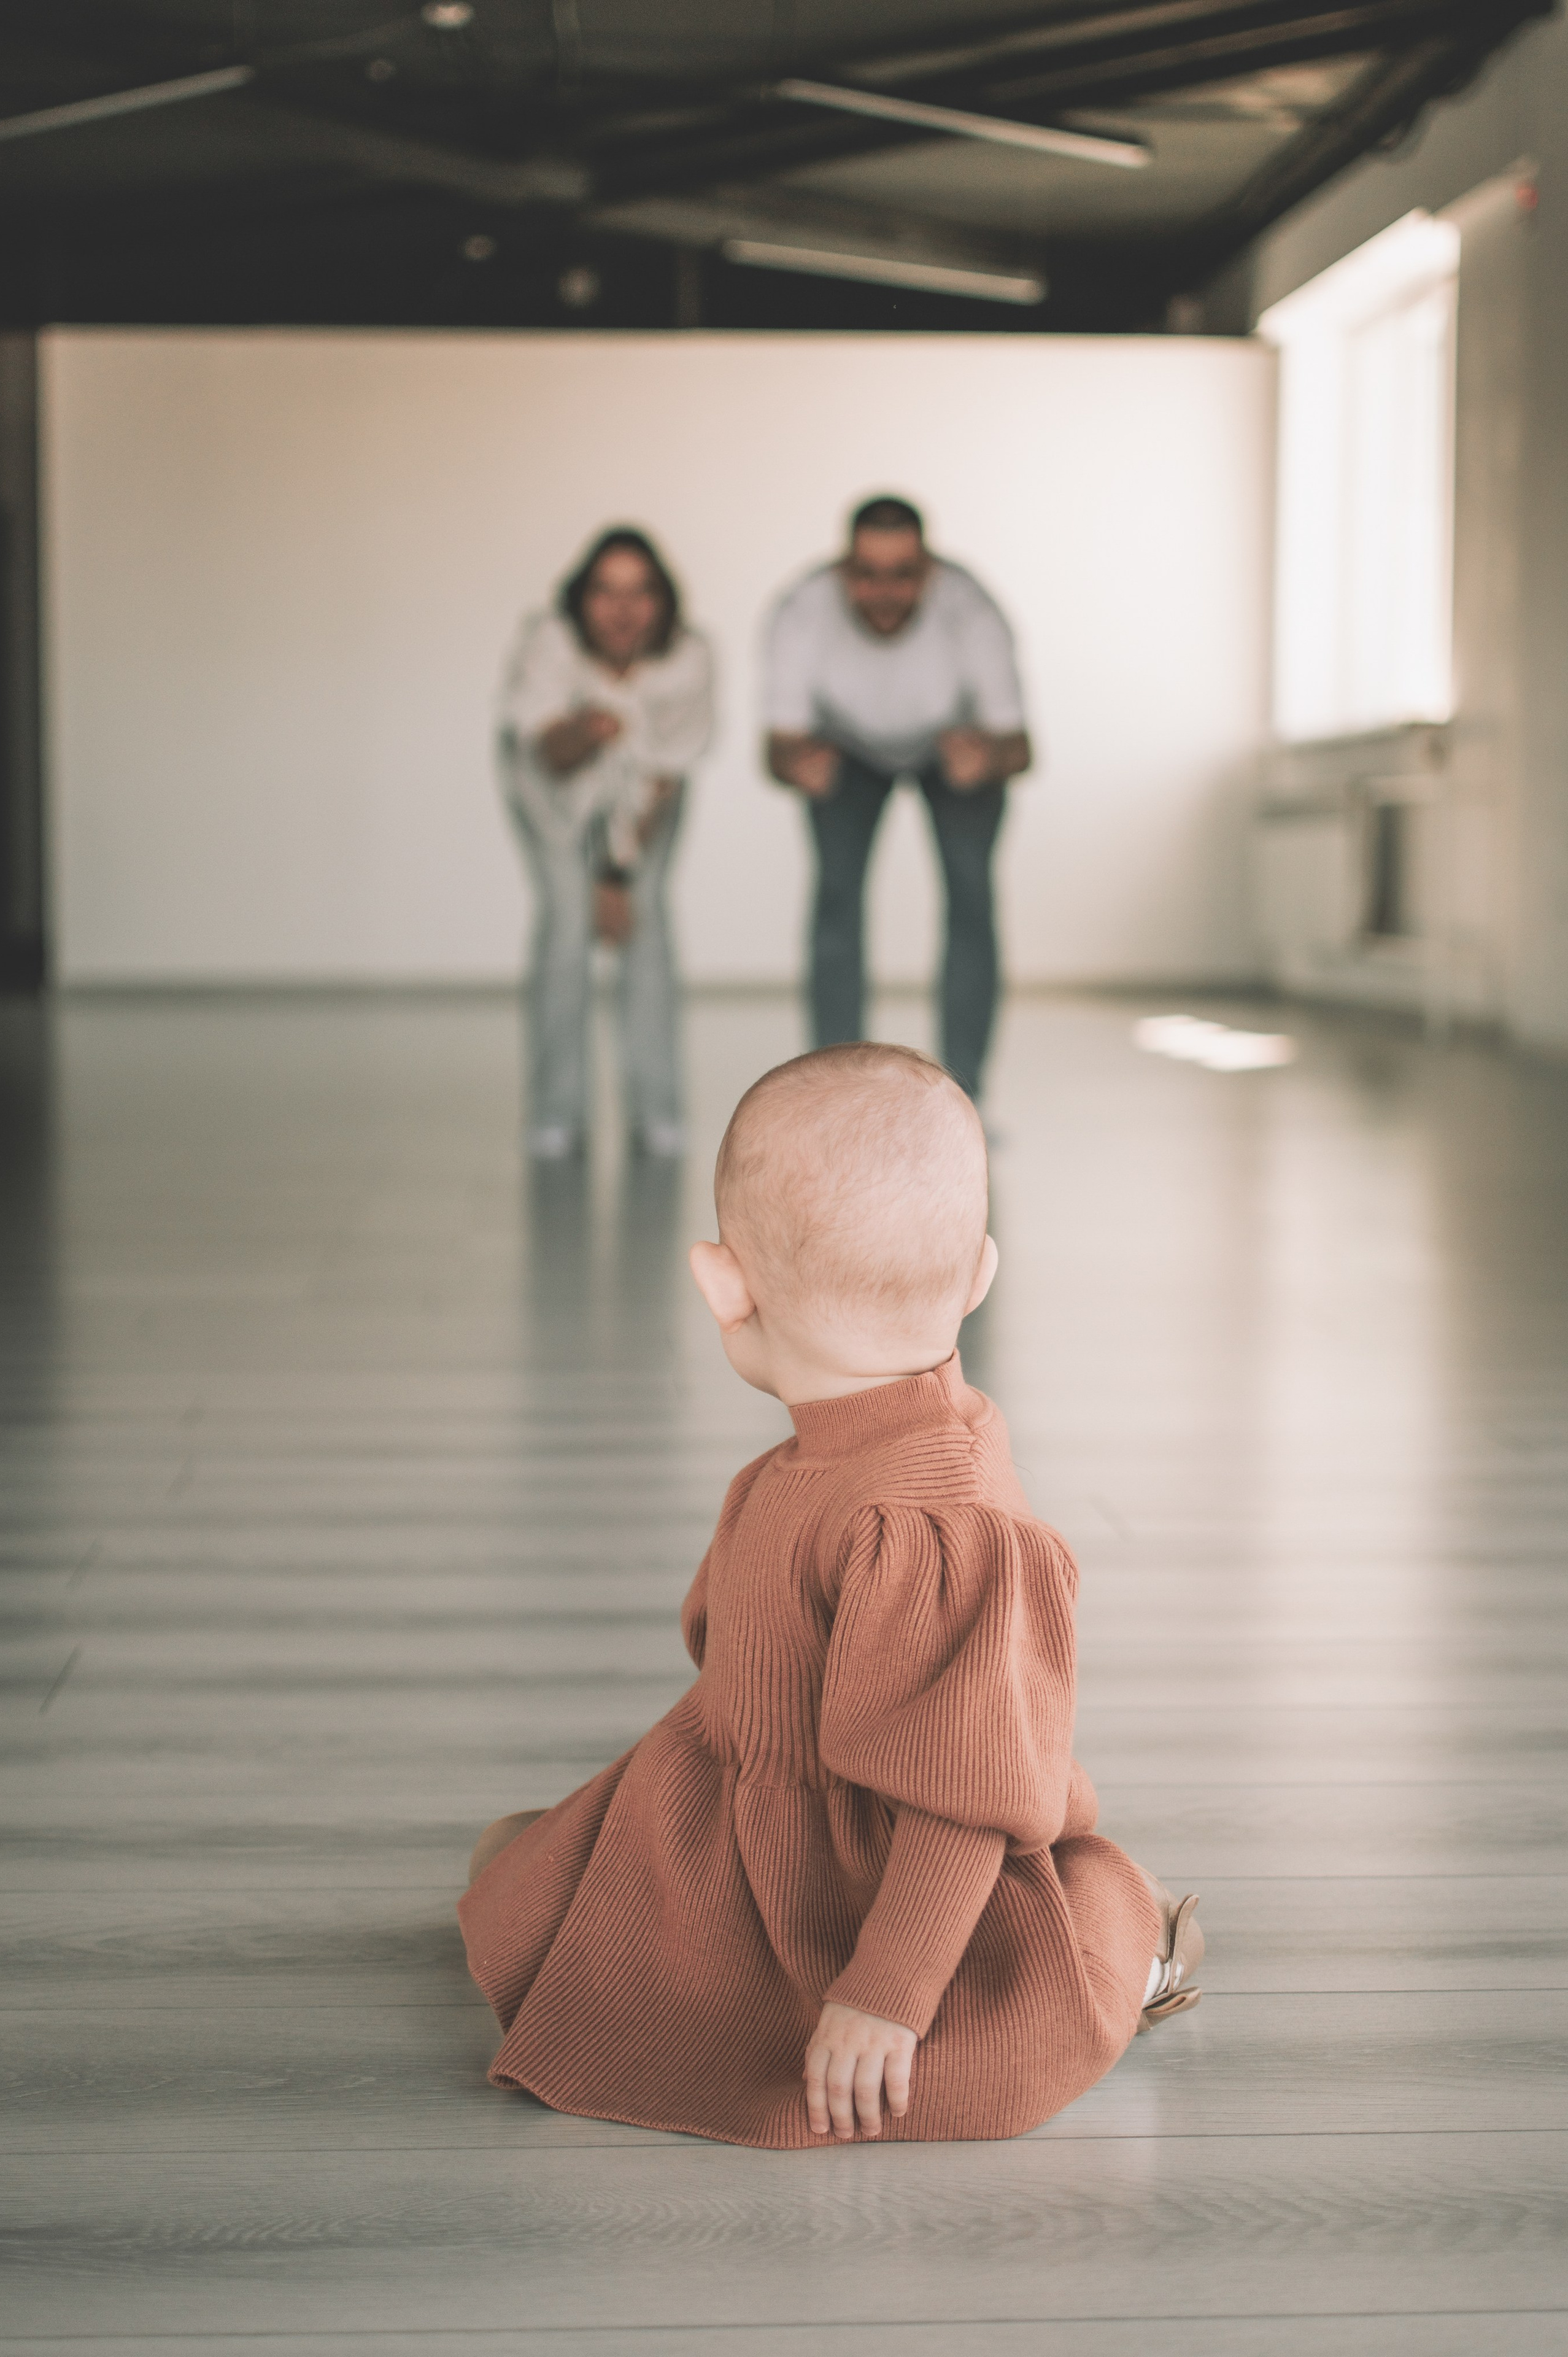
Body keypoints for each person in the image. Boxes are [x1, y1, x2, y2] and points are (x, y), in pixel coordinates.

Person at [459, 1043, 1202, 2148]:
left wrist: (886, 1995)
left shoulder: (944, 1530)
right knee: (514, 1877)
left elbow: (958, 1801)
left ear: (722, 1282)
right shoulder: (809, 1469)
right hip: (749, 1808)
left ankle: (1124, 1953)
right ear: (982, 1272)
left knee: (1037, 1983)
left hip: (895, 1883)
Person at [763, 496, 1033, 1104]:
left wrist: (988, 758)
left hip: (954, 746)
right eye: (867, 574)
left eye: (902, 575)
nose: (883, 592)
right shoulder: (800, 614)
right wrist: (797, 765)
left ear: (928, 572)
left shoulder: (975, 614)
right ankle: (836, 1095)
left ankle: (965, 1099)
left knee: (971, 901)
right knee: (836, 904)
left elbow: (1021, 747)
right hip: (846, 748)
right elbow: (775, 750)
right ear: (843, 572)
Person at [497, 527, 713, 1159]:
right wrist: (587, 732)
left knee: (645, 924)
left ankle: (658, 1111)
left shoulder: (690, 660)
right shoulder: (548, 644)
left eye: (640, 593)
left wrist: (617, 876)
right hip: (552, 790)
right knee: (566, 922)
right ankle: (555, 1112)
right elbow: (548, 754)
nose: (623, 610)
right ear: (580, 600)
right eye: (605, 593)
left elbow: (664, 774)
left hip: (646, 795)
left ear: (664, 602)